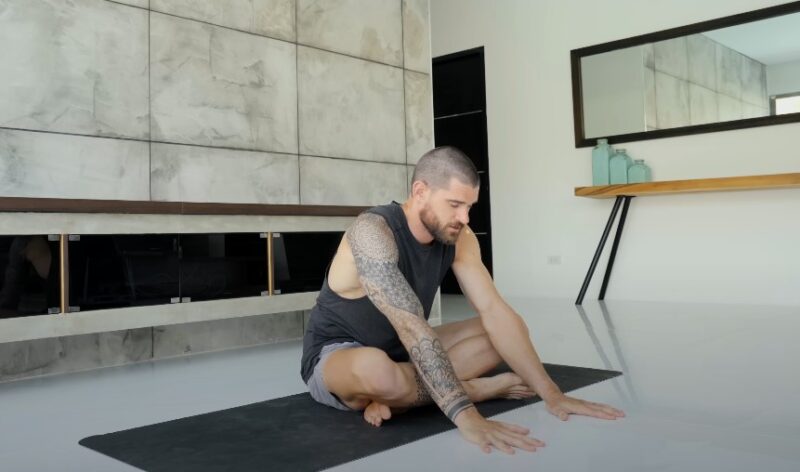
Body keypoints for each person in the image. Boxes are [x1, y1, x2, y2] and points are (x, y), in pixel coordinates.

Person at [300, 146, 624, 454]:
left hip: (402, 350)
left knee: (499, 331)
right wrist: (467, 414)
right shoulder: (372, 232)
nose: (465, 217)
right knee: (377, 371)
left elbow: (494, 310)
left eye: (470, 207)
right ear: (420, 192)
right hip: (340, 353)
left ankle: (398, 396)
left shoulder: (459, 237)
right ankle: (474, 387)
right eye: (455, 204)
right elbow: (410, 324)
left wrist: (552, 394)